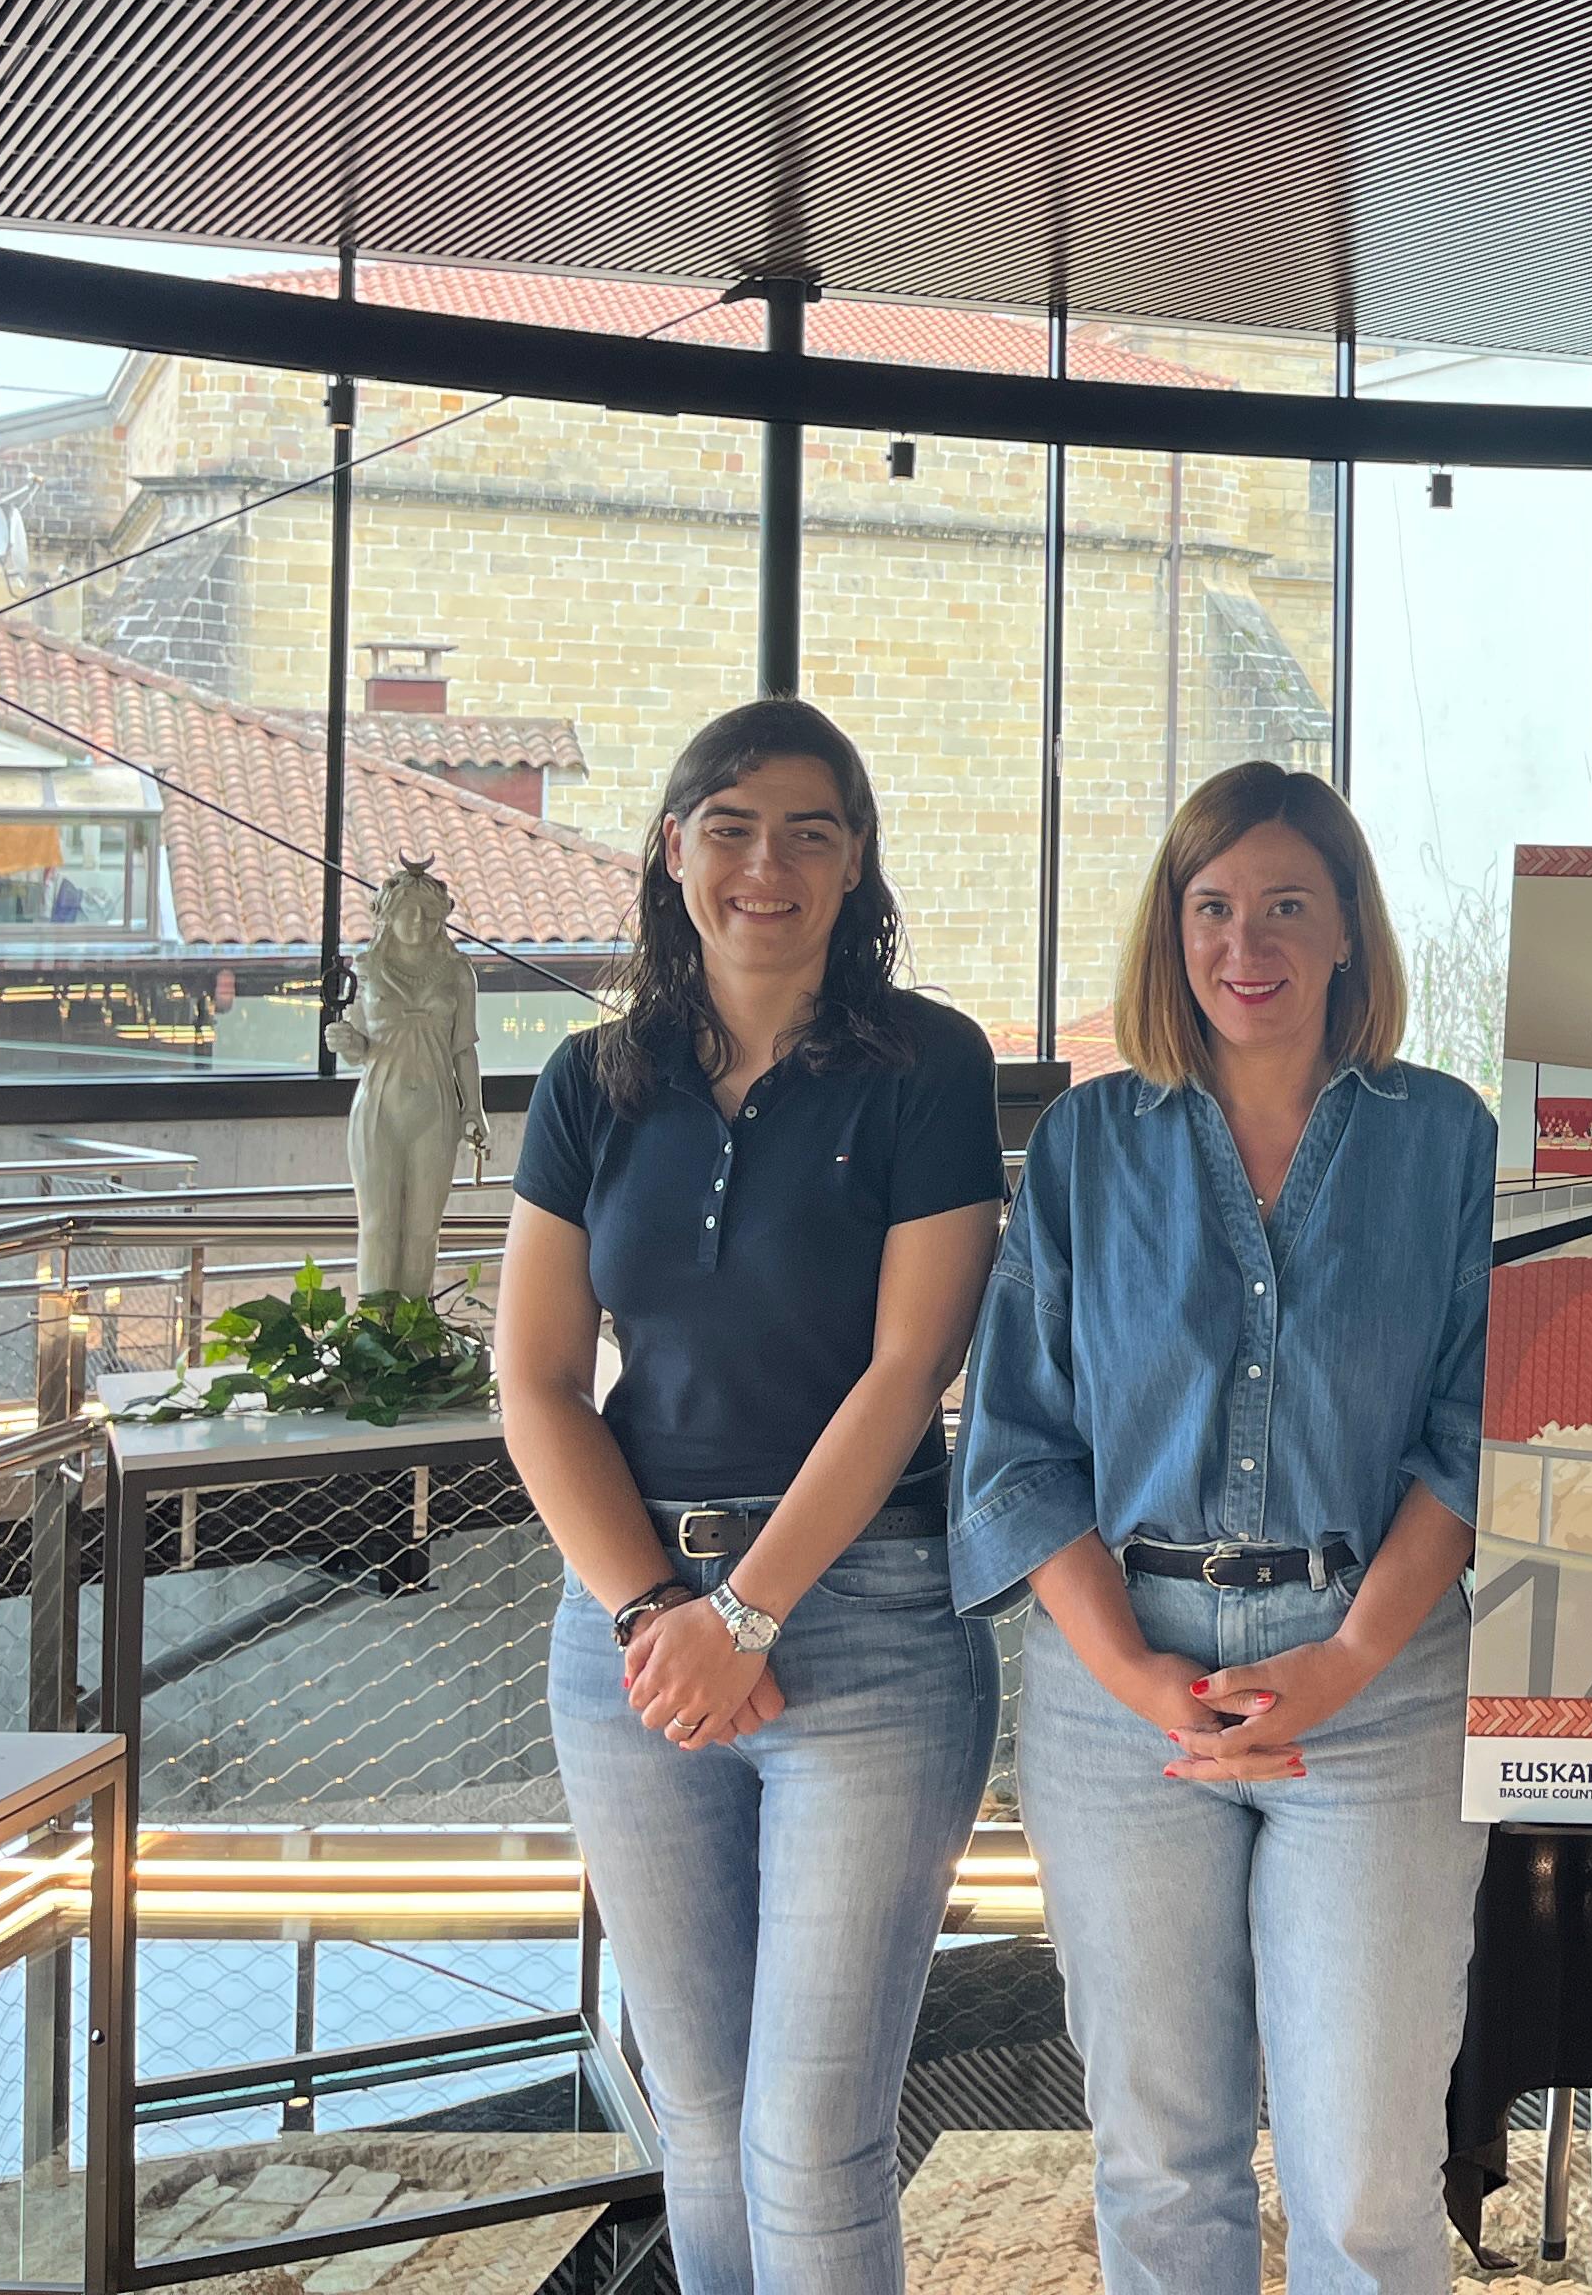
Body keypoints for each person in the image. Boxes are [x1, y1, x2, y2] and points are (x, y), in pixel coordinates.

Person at [954, 762, 1495, 2295]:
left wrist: (1342, 1659)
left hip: (1376, 1694)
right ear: (1170, 931)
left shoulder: (1446, 1140)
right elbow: (1021, 1448)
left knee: (1370, 2185)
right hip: (1121, 1696)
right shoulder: (1086, 1146)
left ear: (1345, 936)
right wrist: (1136, 1679)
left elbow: (1471, 1437)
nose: (1244, 942)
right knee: (1162, 2165)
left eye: (1284, 906)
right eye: (1210, 908)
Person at [497, 699, 1007, 2295]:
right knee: (701, 2114)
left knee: (808, 2129)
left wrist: (748, 1609)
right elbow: (533, 1383)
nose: (766, 864)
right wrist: (659, 1609)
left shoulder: (928, 1065)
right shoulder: (594, 1080)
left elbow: (907, 1369)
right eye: (730, 825)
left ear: (857, 865)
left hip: (866, 1628)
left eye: (810, 830)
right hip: (632, 1637)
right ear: (670, 850)